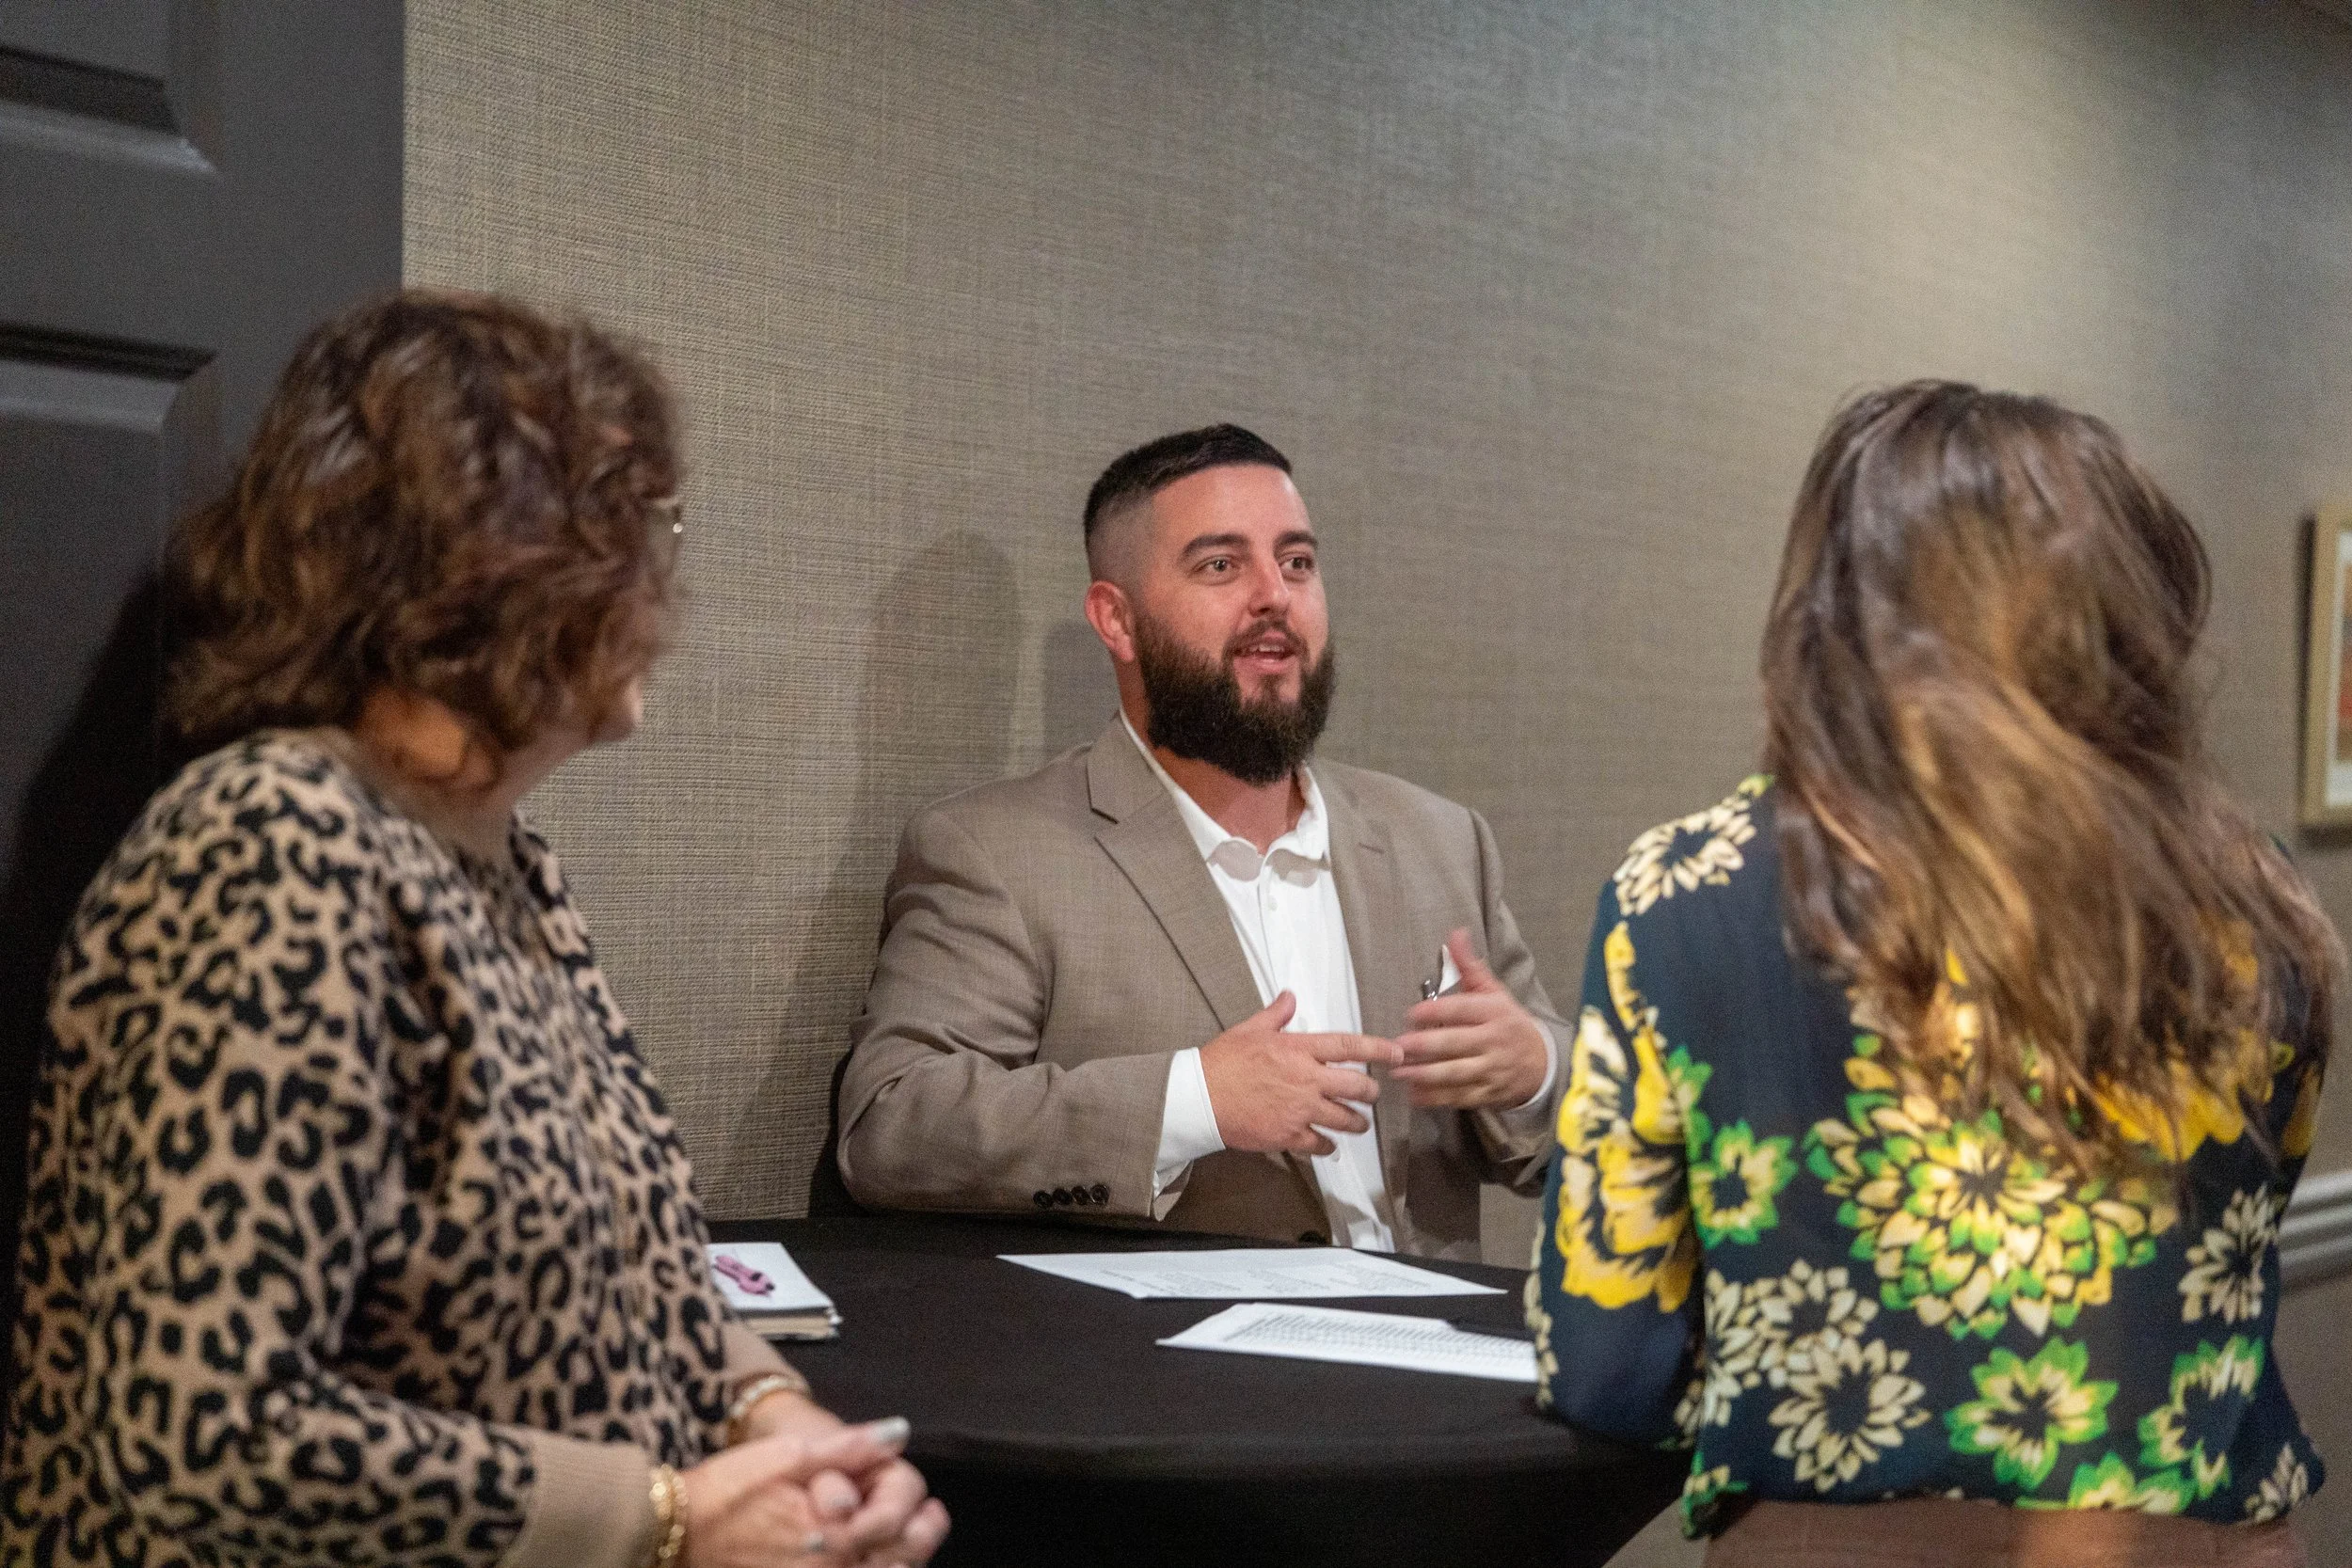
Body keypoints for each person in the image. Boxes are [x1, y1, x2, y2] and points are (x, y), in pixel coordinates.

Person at [0, 291, 947, 1568]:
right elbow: (205, 1438)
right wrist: (664, 1519)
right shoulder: (275, 848)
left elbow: (630, 1265)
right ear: (494, 555)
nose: (665, 574)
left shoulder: (502, 857)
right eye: (639, 523)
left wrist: (776, 1419)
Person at [1529, 381, 2335, 1566]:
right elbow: (2243, 1238)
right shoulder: (2244, 895)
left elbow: (1606, 1364)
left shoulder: (1679, 894)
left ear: (1829, 605)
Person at [835, 424, 1565, 1259]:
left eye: (1297, 562)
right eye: (1221, 565)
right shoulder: (996, 852)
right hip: (1169, 1377)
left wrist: (1537, 1065)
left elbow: (1593, 1128)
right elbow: (892, 1126)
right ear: (1117, 619)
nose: (1274, 597)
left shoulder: (1440, 840)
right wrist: (1195, 1100)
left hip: (1434, 1365)